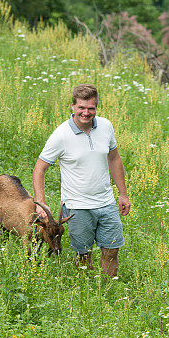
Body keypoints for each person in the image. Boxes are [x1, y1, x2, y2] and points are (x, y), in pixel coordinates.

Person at [32, 84, 130, 277]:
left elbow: (114, 158)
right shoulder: (61, 135)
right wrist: (41, 203)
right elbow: (39, 168)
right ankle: (86, 294)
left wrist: (123, 194)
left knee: (112, 250)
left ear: (96, 107)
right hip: (78, 206)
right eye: (81, 108)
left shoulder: (106, 126)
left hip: (106, 202)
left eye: (91, 108)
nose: (86, 113)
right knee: (83, 255)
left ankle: (107, 291)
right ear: (73, 106)